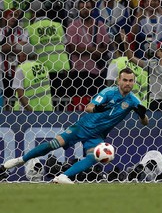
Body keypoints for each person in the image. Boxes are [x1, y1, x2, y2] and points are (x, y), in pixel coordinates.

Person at [0, 68, 149, 184]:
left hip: (97, 135)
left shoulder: (133, 101)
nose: (127, 83)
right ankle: (21, 160)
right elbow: (88, 107)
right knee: (53, 144)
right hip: (82, 127)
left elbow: (145, 122)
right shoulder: (109, 92)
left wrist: (142, 116)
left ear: (134, 82)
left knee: (93, 157)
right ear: (118, 80)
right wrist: (98, 109)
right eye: (125, 80)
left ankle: (63, 176)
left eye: (130, 81)